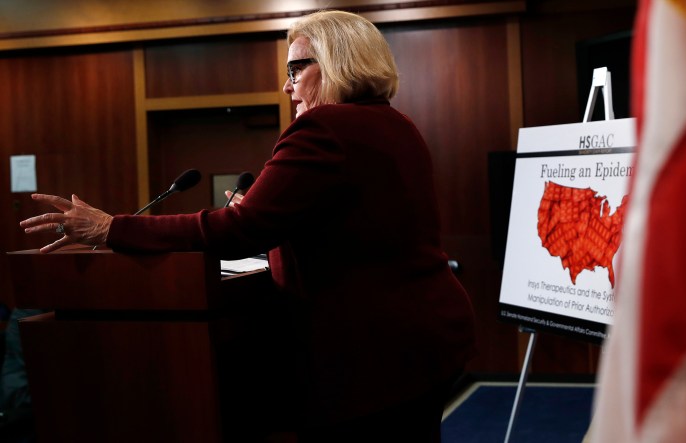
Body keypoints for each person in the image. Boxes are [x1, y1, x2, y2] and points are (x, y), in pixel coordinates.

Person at [20, 10, 476, 442]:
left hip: (373, 356)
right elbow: (344, 233)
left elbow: (240, 229)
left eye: (296, 69)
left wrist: (111, 229)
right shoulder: (397, 125)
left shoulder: (325, 127)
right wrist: (260, 216)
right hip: (423, 343)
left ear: (338, 62)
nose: (286, 85)